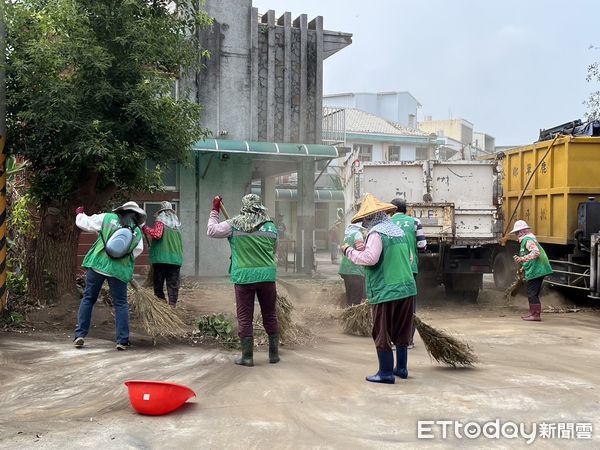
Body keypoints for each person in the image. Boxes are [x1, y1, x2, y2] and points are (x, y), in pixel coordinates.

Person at [341, 194, 417, 384]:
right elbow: (409, 259)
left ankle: (385, 373)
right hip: (407, 288)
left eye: (366, 219)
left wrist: (348, 251)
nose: (365, 223)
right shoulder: (398, 232)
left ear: (370, 217)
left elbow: (370, 259)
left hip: (386, 290)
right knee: (402, 330)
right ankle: (401, 368)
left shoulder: (376, 234)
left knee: (381, 331)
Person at [207, 194, 280, 367]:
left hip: (244, 277)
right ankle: (274, 355)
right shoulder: (271, 227)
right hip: (267, 277)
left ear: (244, 206)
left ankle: (247, 357)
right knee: (270, 315)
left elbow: (211, 231)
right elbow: (274, 250)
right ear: (259, 207)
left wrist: (215, 210)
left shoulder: (234, 224)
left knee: (245, 317)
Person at [74, 201, 145, 350]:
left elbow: (85, 223)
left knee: (88, 298)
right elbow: (137, 251)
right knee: (121, 304)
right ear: (136, 215)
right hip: (118, 271)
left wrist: (80, 214)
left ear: (122, 210)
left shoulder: (107, 218)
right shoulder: (137, 231)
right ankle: (122, 341)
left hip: (98, 264)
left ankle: (80, 335)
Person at [390, 198, 426, 348]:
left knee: (391, 303)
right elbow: (422, 245)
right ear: (405, 210)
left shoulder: (386, 223)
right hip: (410, 268)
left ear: (392, 210)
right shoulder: (415, 222)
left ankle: (392, 339)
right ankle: (407, 341)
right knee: (409, 306)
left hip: (391, 270)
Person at [142, 201, 183, 307]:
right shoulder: (176, 224)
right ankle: (172, 306)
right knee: (173, 284)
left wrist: (144, 228)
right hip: (175, 259)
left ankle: (161, 305)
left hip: (161, 258)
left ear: (161, 211)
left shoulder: (161, 219)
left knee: (158, 284)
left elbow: (157, 234)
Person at [510, 220, 553, 321]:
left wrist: (521, 259)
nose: (516, 235)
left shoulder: (528, 240)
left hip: (538, 270)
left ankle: (535, 314)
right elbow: (529, 257)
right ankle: (532, 312)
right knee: (532, 292)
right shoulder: (526, 240)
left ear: (521, 232)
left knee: (532, 293)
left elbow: (535, 252)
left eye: (517, 232)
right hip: (536, 269)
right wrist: (522, 268)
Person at [338, 223, 366, 306]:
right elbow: (360, 249)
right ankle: (354, 313)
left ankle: (348, 310)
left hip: (345, 268)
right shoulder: (358, 234)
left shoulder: (347, 236)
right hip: (355, 269)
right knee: (357, 296)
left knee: (349, 295)